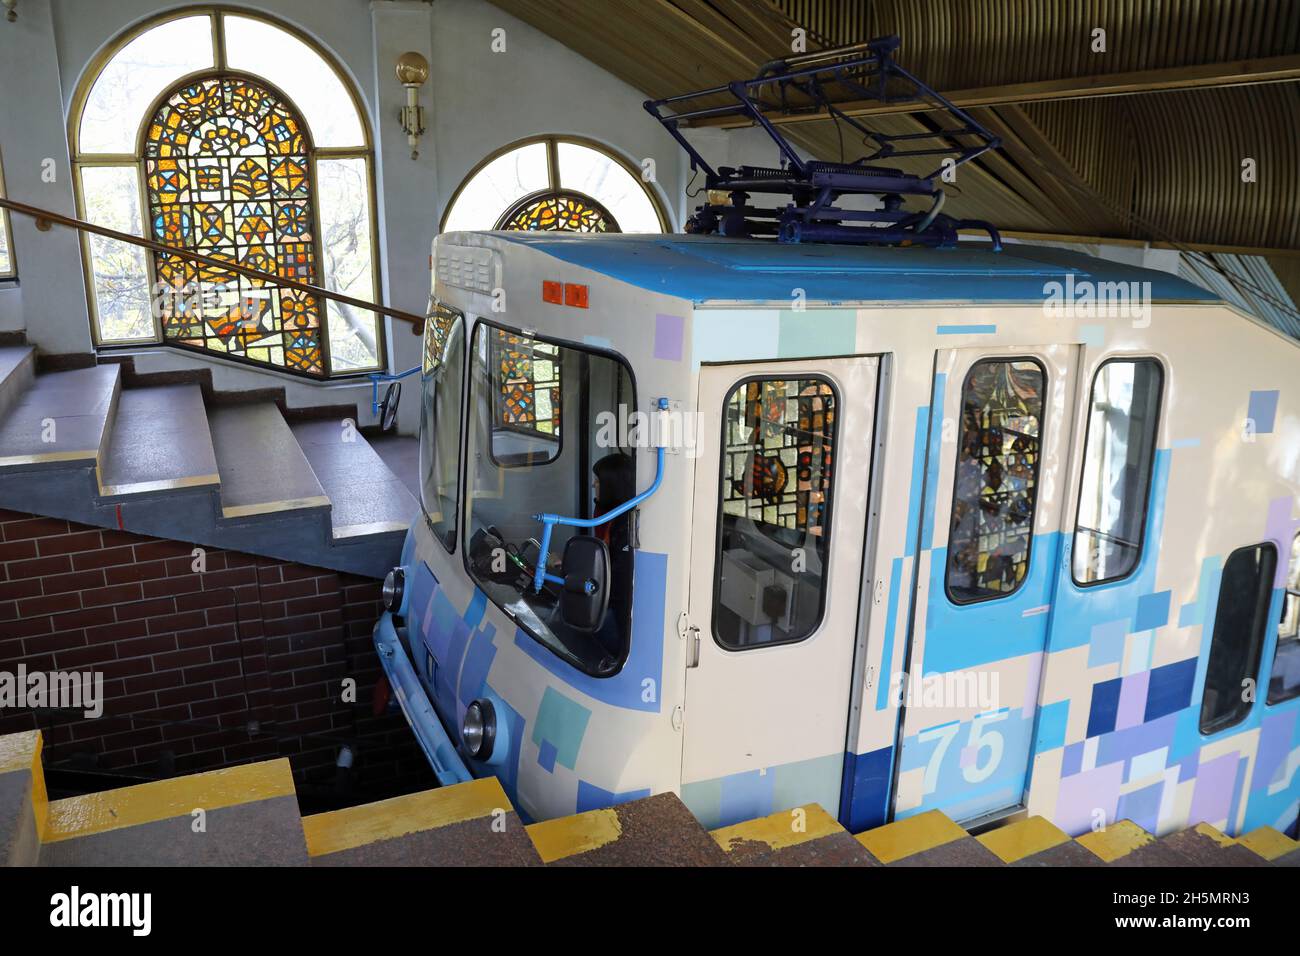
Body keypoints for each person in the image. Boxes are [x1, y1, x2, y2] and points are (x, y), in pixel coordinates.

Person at [590, 452, 635, 661]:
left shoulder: (625, 525)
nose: (593, 486)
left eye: (598, 482)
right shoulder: (607, 513)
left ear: (612, 485)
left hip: (617, 611)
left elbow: (618, 577)